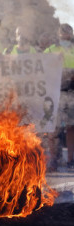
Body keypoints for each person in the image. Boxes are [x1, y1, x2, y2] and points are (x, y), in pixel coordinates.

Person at [44, 23, 74, 169]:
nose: (65, 37)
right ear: (58, 35)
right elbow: (40, 65)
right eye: (63, 34)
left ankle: (70, 159)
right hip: (53, 93)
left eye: (68, 34)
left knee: (71, 127)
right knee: (53, 127)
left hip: (71, 92)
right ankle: (54, 159)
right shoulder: (50, 50)